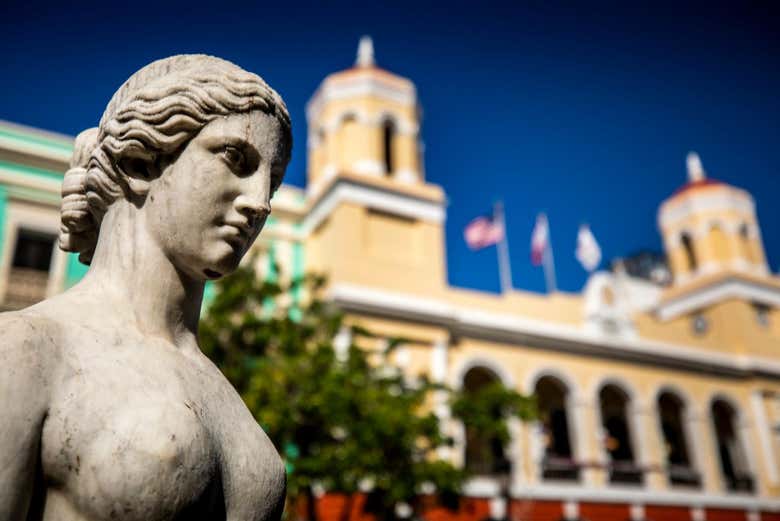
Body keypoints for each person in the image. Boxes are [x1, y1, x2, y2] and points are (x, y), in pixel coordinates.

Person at [0, 55, 292, 521]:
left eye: (272, 182)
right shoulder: (22, 350)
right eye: (236, 158)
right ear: (139, 161)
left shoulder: (227, 398)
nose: (260, 203)